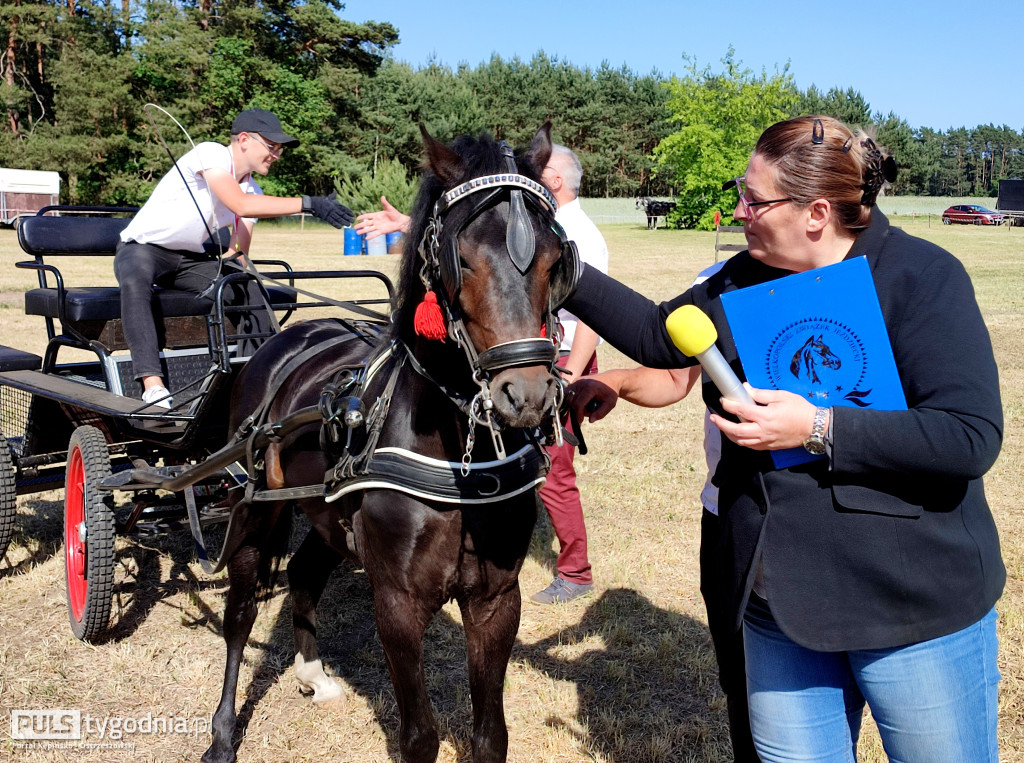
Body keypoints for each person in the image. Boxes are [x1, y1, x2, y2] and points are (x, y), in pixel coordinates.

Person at [565, 115, 1004, 761]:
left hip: (912, 609)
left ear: (817, 211)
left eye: (755, 199)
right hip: (780, 607)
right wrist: (541, 249)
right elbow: (659, 334)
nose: (738, 210)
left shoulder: (923, 275)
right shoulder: (740, 278)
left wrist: (818, 427)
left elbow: (968, 437)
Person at [354, 145, 610, 605]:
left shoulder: (572, 235)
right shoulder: (523, 220)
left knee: (552, 470)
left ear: (554, 181)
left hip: (556, 358)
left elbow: (592, 319)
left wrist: (570, 371)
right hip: (521, 352)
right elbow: (480, 242)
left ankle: (574, 570)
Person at [569, 262, 760, 762]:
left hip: (802, 527)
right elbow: (676, 377)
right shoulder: (718, 281)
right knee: (742, 690)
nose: (741, 211)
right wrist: (615, 380)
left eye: (754, 198)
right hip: (725, 515)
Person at [115, 108, 354, 408]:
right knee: (136, 281)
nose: (276, 155)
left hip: (188, 260)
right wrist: (309, 204)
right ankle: (152, 385)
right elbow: (240, 205)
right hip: (141, 250)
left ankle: (263, 374)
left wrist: (237, 266)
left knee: (244, 284)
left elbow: (238, 251)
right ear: (244, 139)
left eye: (279, 149)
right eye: (272, 146)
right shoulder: (211, 154)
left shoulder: (253, 188)